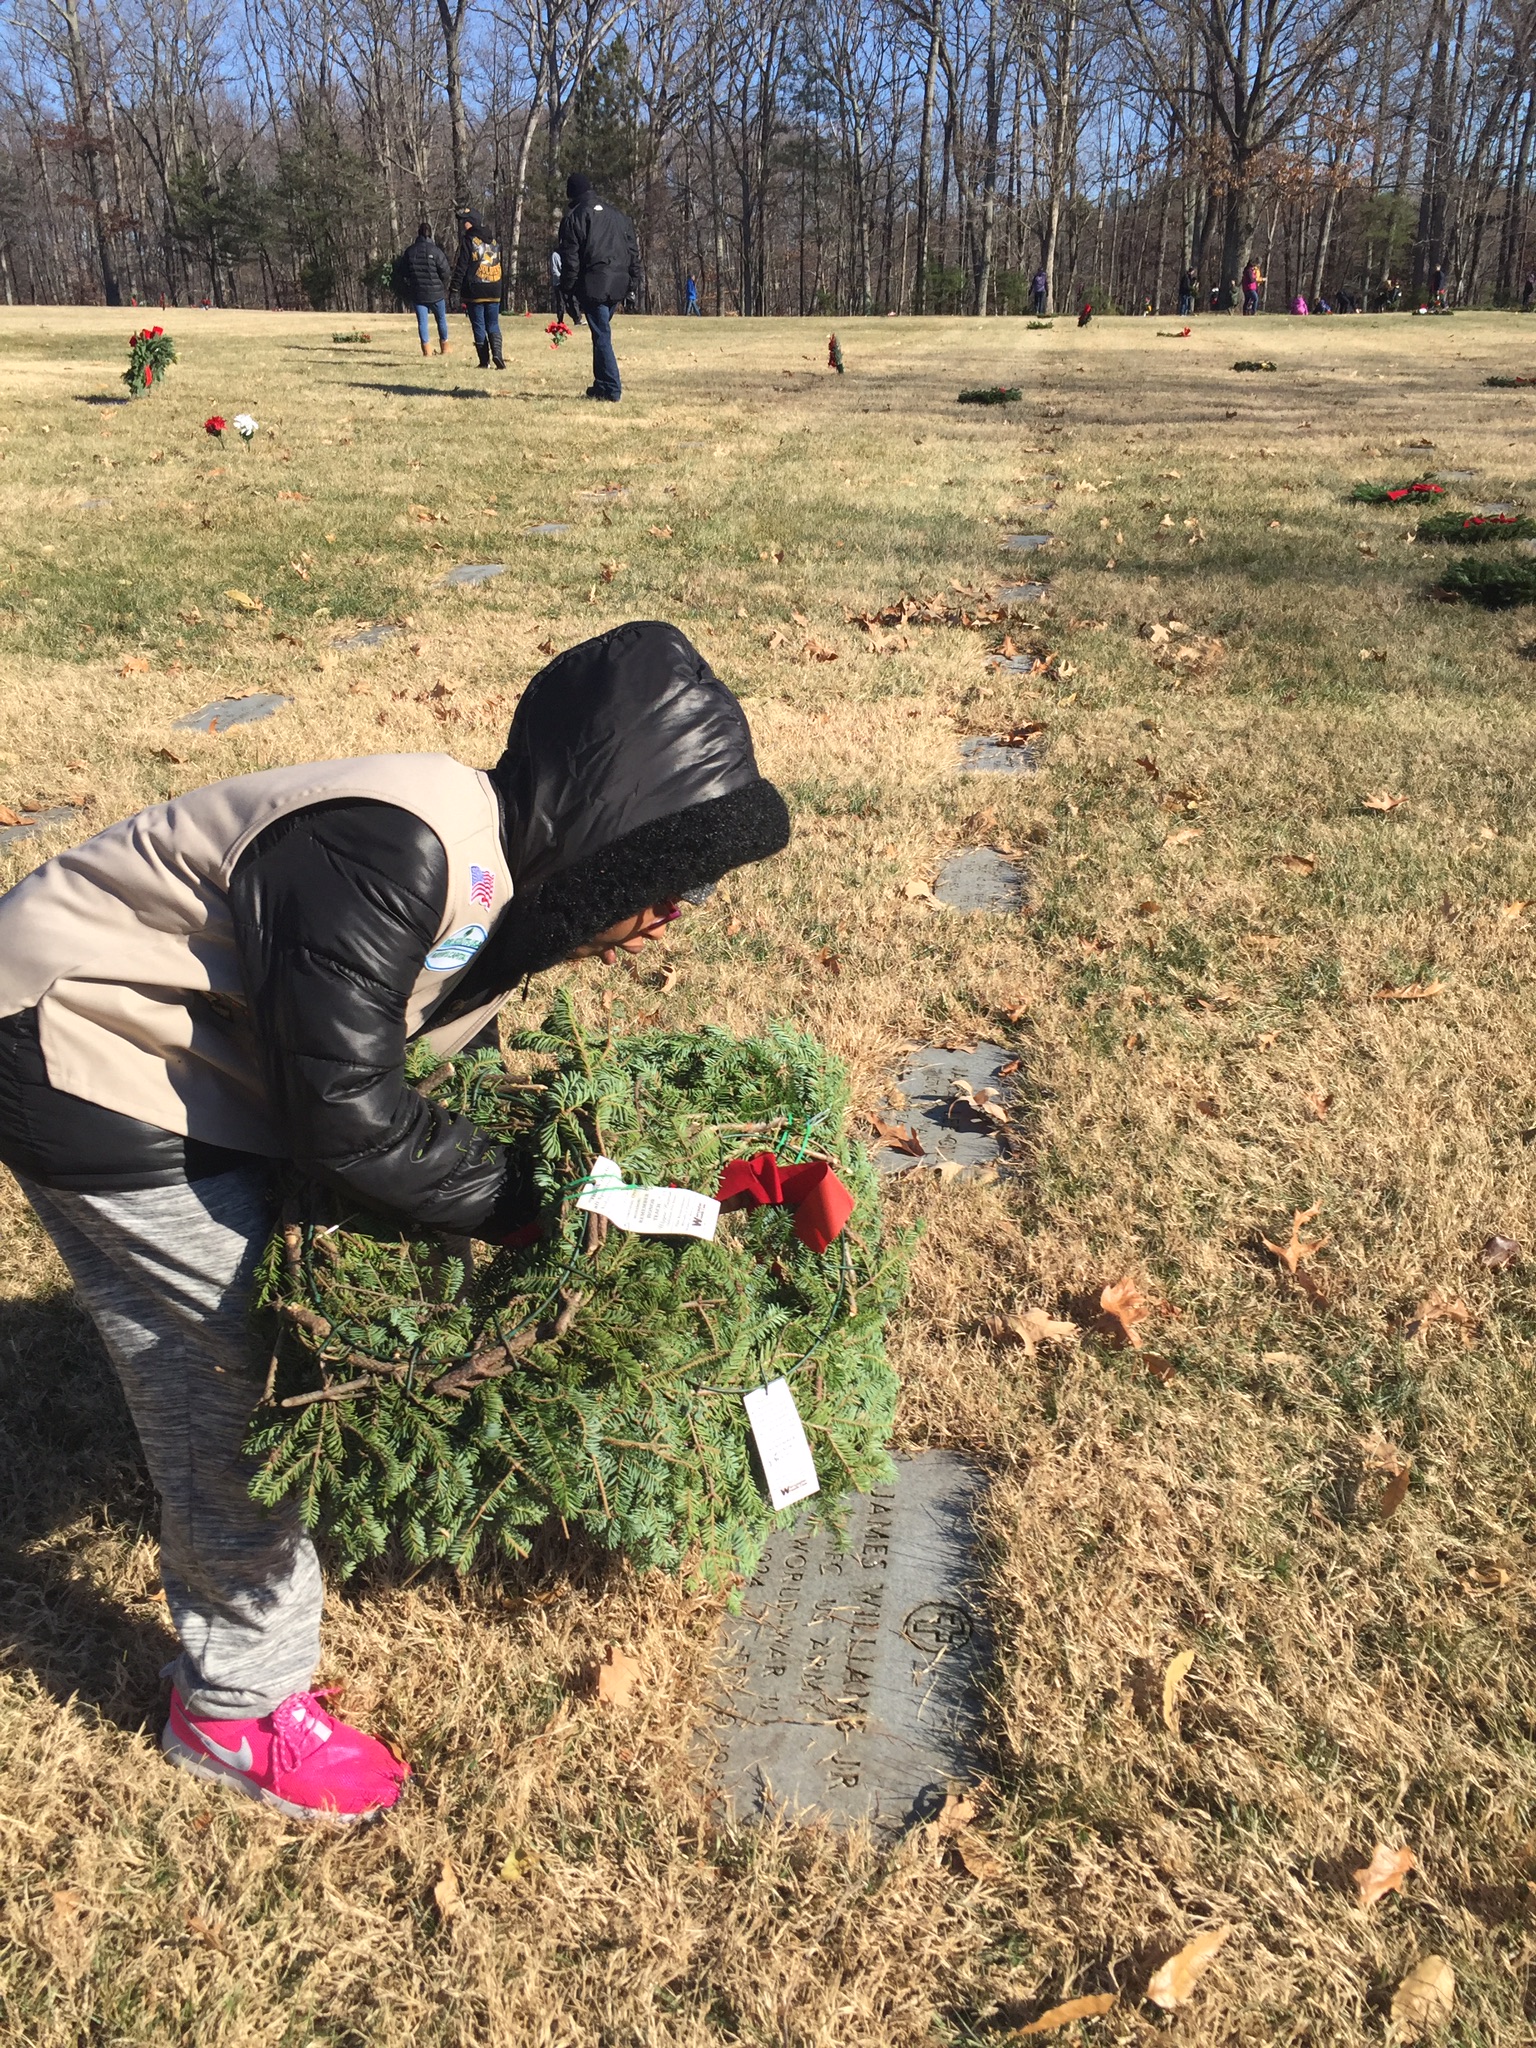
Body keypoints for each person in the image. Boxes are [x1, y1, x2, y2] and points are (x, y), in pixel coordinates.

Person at [0, 621, 791, 1824]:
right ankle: (234, 1706)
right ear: (603, 833)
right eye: (667, 872)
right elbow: (349, 1118)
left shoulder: (506, 887)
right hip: (80, 1049)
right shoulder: (397, 850)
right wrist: (526, 1202)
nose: (676, 909)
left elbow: (383, 1069)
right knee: (231, 1365)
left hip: (197, 1062)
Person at [556, 172, 642, 402]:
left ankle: (612, 388)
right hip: (619, 282)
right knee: (600, 332)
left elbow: (571, 259)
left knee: (602, 333)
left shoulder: (575, 217)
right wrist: (632, 283)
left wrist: (567, 289)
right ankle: (601, 384)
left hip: (594, 282)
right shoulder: (618, 216)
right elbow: (633, 252)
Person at [450, 208, 504, 370]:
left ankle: (484, 361)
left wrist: (454, 289)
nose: (461, 224)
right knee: (493, 324)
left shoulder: (469, 240)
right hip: (494, 287)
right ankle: (498, 355)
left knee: (479, 324)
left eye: (463, 221)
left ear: (470, 222)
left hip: (476, 288)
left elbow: (462, 266)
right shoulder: (493, 241)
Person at [394, 220, 452, 357]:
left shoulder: (410, 251)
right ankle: (445, 346)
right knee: (441, 319)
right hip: (436, 293)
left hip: (418, 293)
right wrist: (441, 285)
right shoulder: (436, 251)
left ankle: (426, 349)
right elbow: (445, 271)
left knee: (422, 322)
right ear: (430, 235)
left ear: (418, 234)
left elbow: (402, 272)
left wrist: (410, 286)